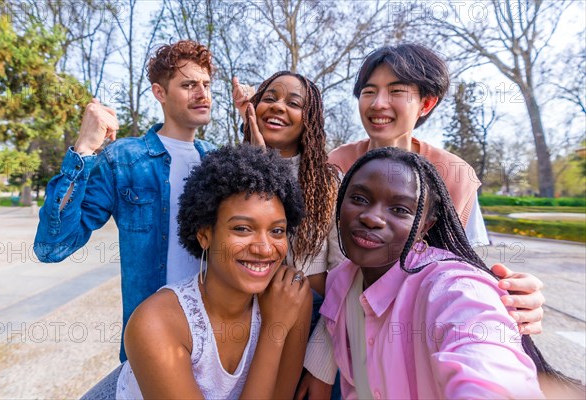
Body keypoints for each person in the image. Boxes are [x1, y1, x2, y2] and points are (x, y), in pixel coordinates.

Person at [298, 44, 546, 397]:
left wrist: (514, 299)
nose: (378, 103)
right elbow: (332, 274)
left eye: (396, 91)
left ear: (426, 104)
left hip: (420, 347)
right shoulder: (332, 167)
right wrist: (321, 365)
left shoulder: (455, 176)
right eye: (369, 91)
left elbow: (473, 280)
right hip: (347, 342)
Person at [322, 146, 562, 398]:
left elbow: (487, 363)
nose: (372, 218)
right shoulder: (339, 282)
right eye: (359, 199)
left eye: (400, 210)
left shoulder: (455, 288)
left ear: (425, 226)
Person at [34, 40, 216, 361]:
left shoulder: (218, 162)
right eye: (189, 85)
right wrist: (85, 148)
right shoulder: (125, 159)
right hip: (152, 344)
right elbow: (53, 246)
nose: (202, 94)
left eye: (205, 84)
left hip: (216, 339)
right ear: (159, 93)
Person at [114, 144, 312, 399]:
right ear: (205, 235)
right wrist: (274, 330)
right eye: (242, 228)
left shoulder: (290, 297)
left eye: (277, 231)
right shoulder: (157, 323)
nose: (264, 249)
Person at [233, 72, 343, 296]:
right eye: (270, 99)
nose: (278, 107)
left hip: (313, 313)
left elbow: (341, 268)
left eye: (293, 103)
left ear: (309, 120)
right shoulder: (231, 172)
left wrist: (327, 330)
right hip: (246, 308)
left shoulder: (328, 182)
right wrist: (259, 159)